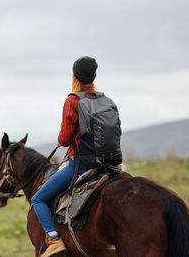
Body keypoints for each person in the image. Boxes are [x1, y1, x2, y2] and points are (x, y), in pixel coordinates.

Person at [31, 56, 122, 257]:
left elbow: (64, 139)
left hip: (82, 165)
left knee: (38, 199)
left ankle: (54, 240)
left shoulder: (73, 100)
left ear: (75, 76)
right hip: (112, 165)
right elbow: (118, 132)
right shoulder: (106, 101)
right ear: (94, 75)